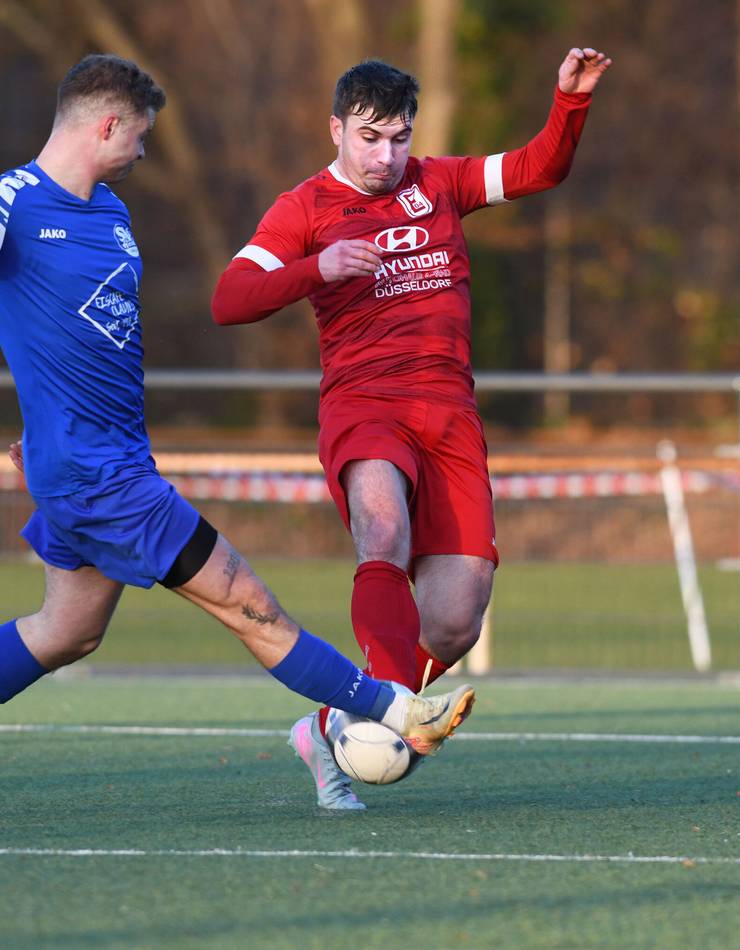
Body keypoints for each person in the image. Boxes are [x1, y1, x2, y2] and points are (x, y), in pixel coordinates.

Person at [0, 54, 476, 786]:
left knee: (67, 631)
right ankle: (392, 710)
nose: (144, 151)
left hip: (100, 460)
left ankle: (378, 709)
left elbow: (76, 341)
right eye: (142, 137)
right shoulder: (13, 202)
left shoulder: (110, 212)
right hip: (102, 479)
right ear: (107, 125)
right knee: (250, 606)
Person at [212, 47, 612, 809]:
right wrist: (318, 269)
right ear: (335, 129)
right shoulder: (304, 208)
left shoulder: (441, 182)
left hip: (449, 413)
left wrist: (569, 103)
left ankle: (335, 724)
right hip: (365, 404)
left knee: (457, 619)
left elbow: (538, 169)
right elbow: (231, 299)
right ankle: (393, 712)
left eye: (398, 137)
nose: (386, 155)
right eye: (369, 137)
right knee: (382, 527)